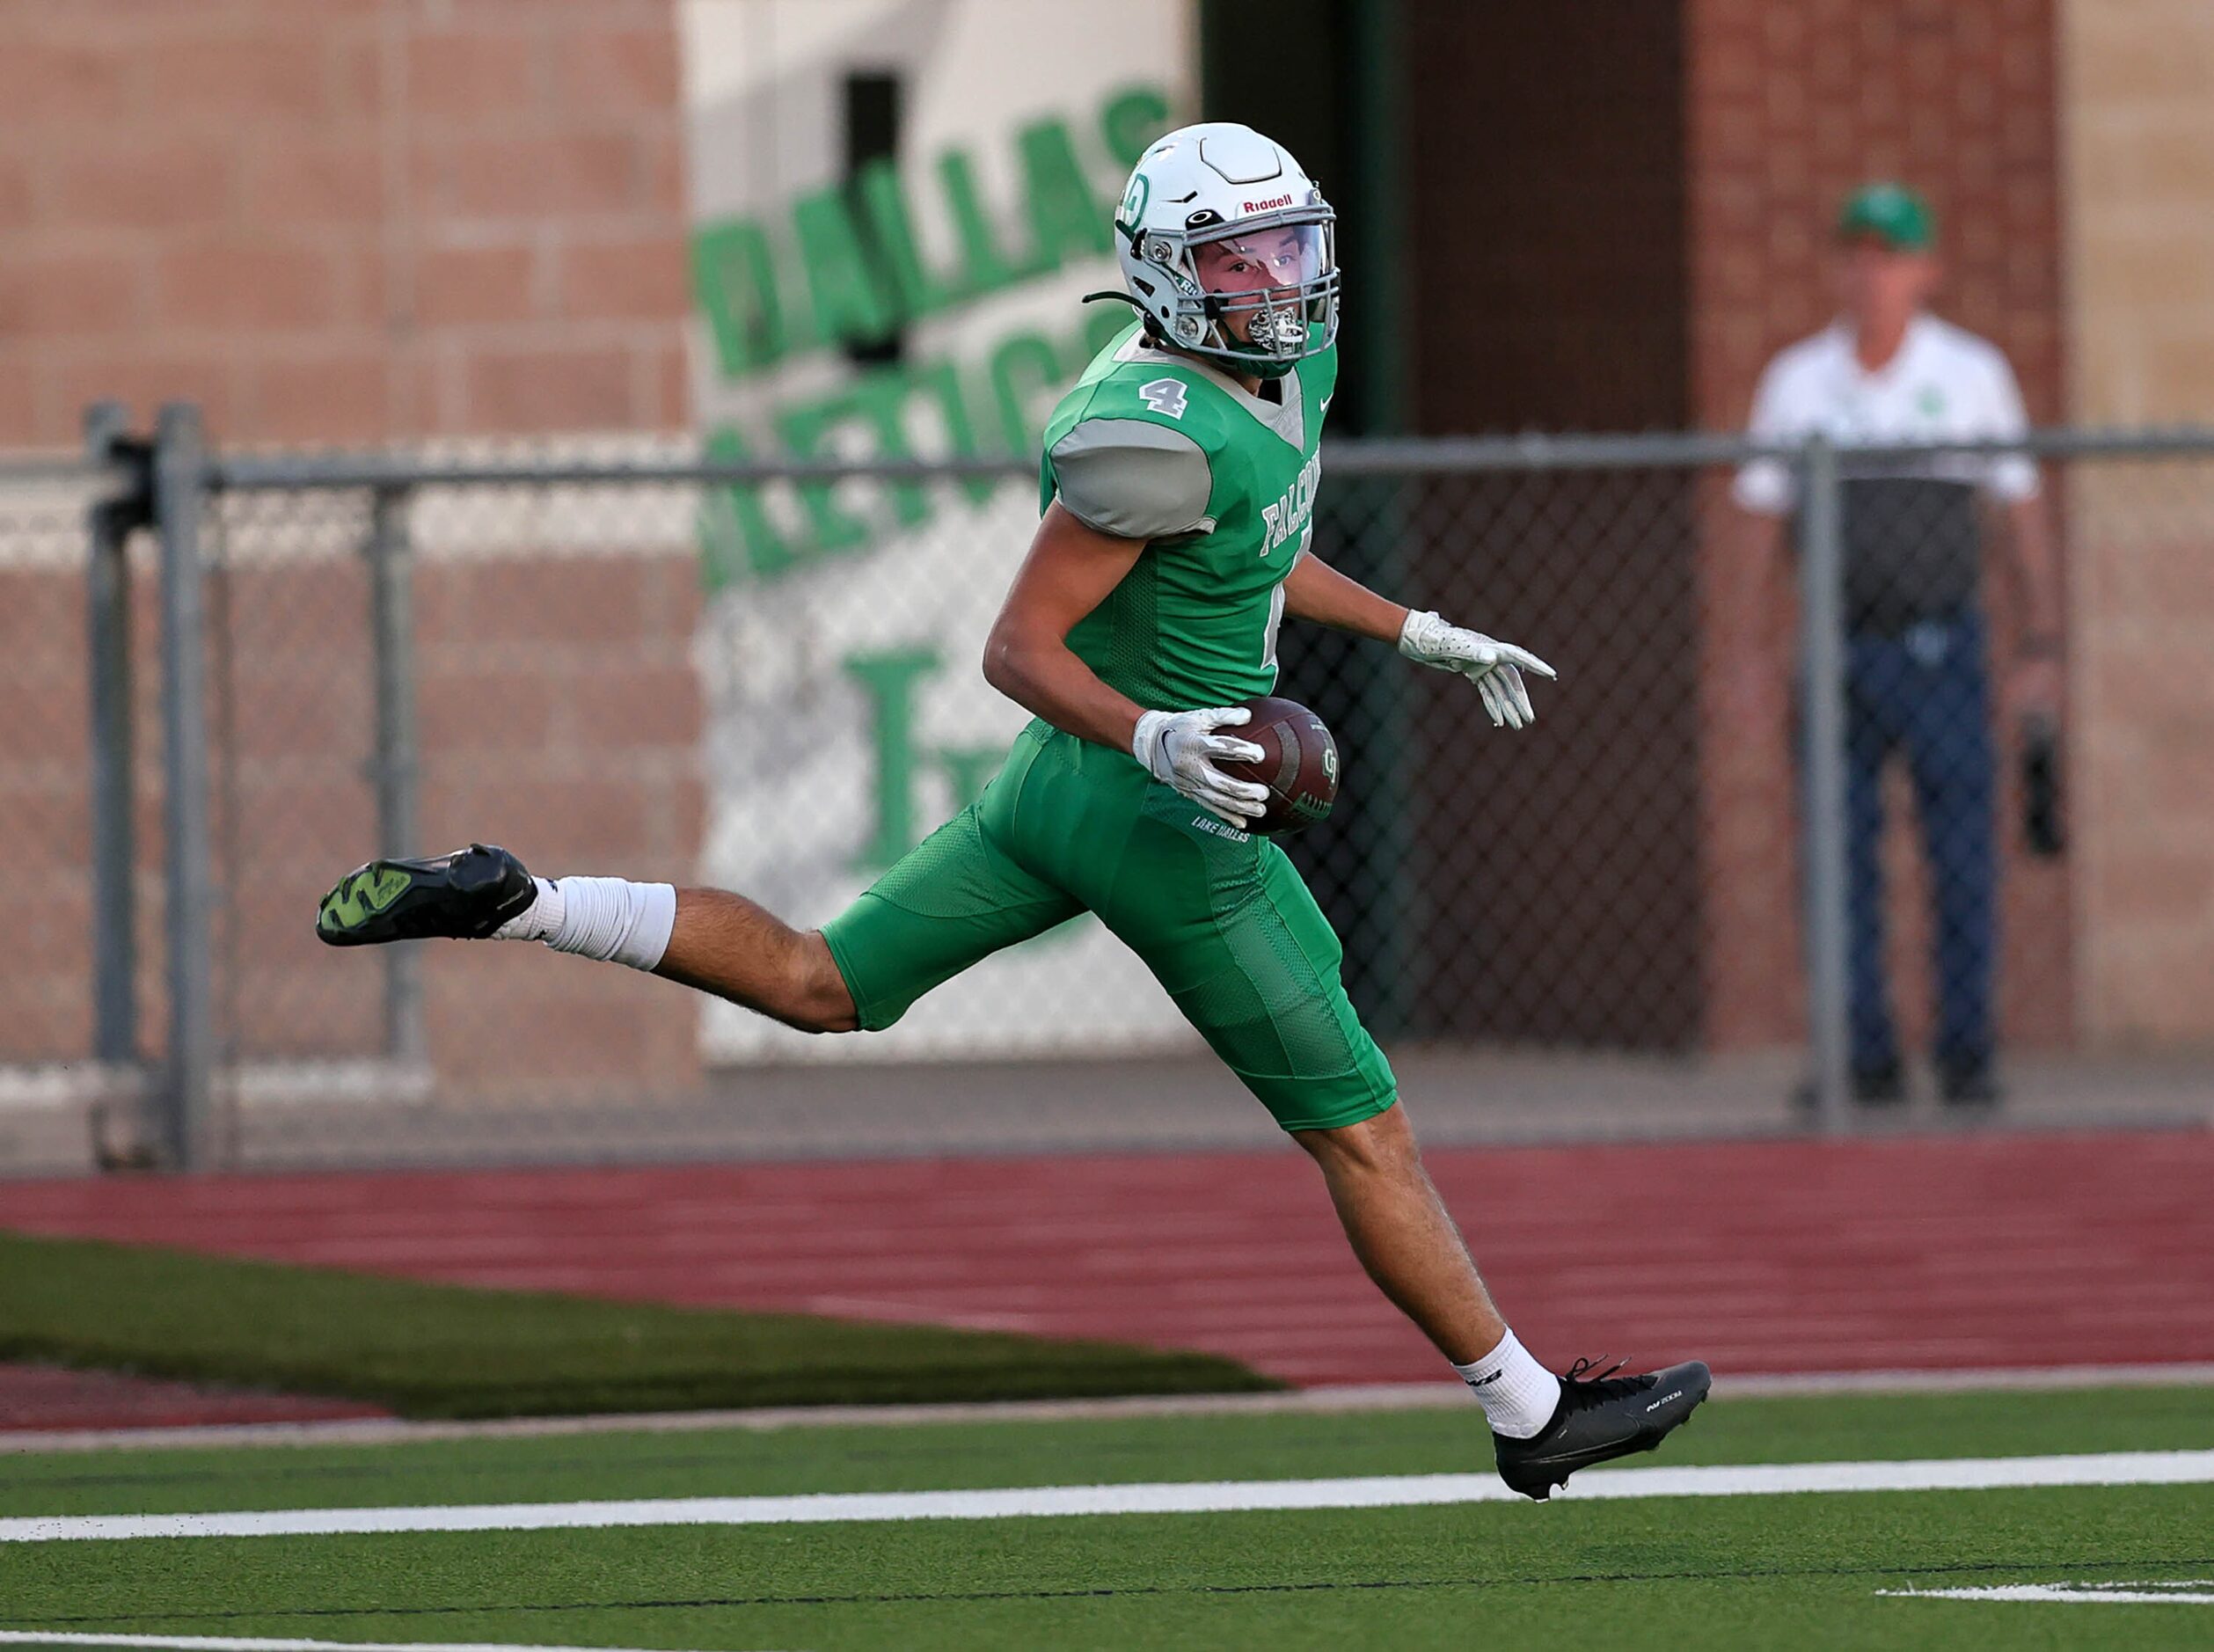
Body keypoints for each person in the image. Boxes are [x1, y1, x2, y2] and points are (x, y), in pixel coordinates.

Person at [316, 121, 1708, 1498]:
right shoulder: (1148, 441)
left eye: (1291, 243)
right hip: (1175, 821)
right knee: (1362, 1128)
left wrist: (1413, 628)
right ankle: (1527, 1410)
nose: (1280, 278)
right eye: (1240, 257)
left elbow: (1253, 551)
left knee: (825, 981)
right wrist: (1160, 734)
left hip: (1064, 792)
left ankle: (521, 898)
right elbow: (1017, 650)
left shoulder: (1266, 372)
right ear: (1167, 273)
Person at [1733, 183, 2064, 1110]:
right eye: (1858, 253)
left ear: (1927, 269)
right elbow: (1759, 524)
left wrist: (2043, 642)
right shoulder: (1798, 380)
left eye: (1892, 254)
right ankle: (1860, 1056)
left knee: (1963, 852)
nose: (1872, 273)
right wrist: (1750, 654)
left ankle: (1967, 1052)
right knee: (1838, 863)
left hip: (1946, 649)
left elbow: (2019, 510)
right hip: (1837, 653)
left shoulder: (1971, 374)